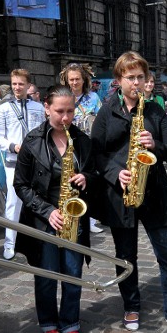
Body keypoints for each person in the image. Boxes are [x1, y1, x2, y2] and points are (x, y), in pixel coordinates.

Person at [90, 51, 167, 333]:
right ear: (119, 80)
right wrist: (116, 173)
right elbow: (97, 154)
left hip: (155, 193)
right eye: (130, 77)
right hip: (121, 195)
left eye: (140, 77)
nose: (136, 82)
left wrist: (154, 145)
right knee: (126, 258)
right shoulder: (106, 111)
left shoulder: (155, 110)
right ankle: (131, 306)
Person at [13, 86, 94, 333]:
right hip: (44, 219)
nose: (66, 117)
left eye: (70, 111)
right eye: (59, 111)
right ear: (47, 108)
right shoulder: (32, 141)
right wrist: (48, 211)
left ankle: (70, 322)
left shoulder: (81, 139)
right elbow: (21, 185)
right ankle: (48, 322)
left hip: (73, 217)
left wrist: (87, 177)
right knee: (46, 276)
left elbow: (96, 172)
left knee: (72, 273)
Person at [0, 69, 46, 259]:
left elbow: (43, 132)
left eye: (20, 84)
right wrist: (13, 146)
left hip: (36, 162)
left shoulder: (38, 107)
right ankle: (9, 243)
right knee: (13, 203)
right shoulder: (4, 108)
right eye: (14, 83)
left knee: (38, 200)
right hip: (13, 163)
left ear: (28, 85)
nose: (17, 87)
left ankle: (39, 239)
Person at [60, 63, 103, 233]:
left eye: (77, 79)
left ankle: (91, 219)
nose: (74, 82)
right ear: (66, 80)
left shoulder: (93, 98)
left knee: (89, 180)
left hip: (89, 145)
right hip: (67, 144)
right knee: (69, 180)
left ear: (84, 80)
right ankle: (70, 214)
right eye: (71, 79)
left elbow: (100, 121)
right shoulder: (62, 96)